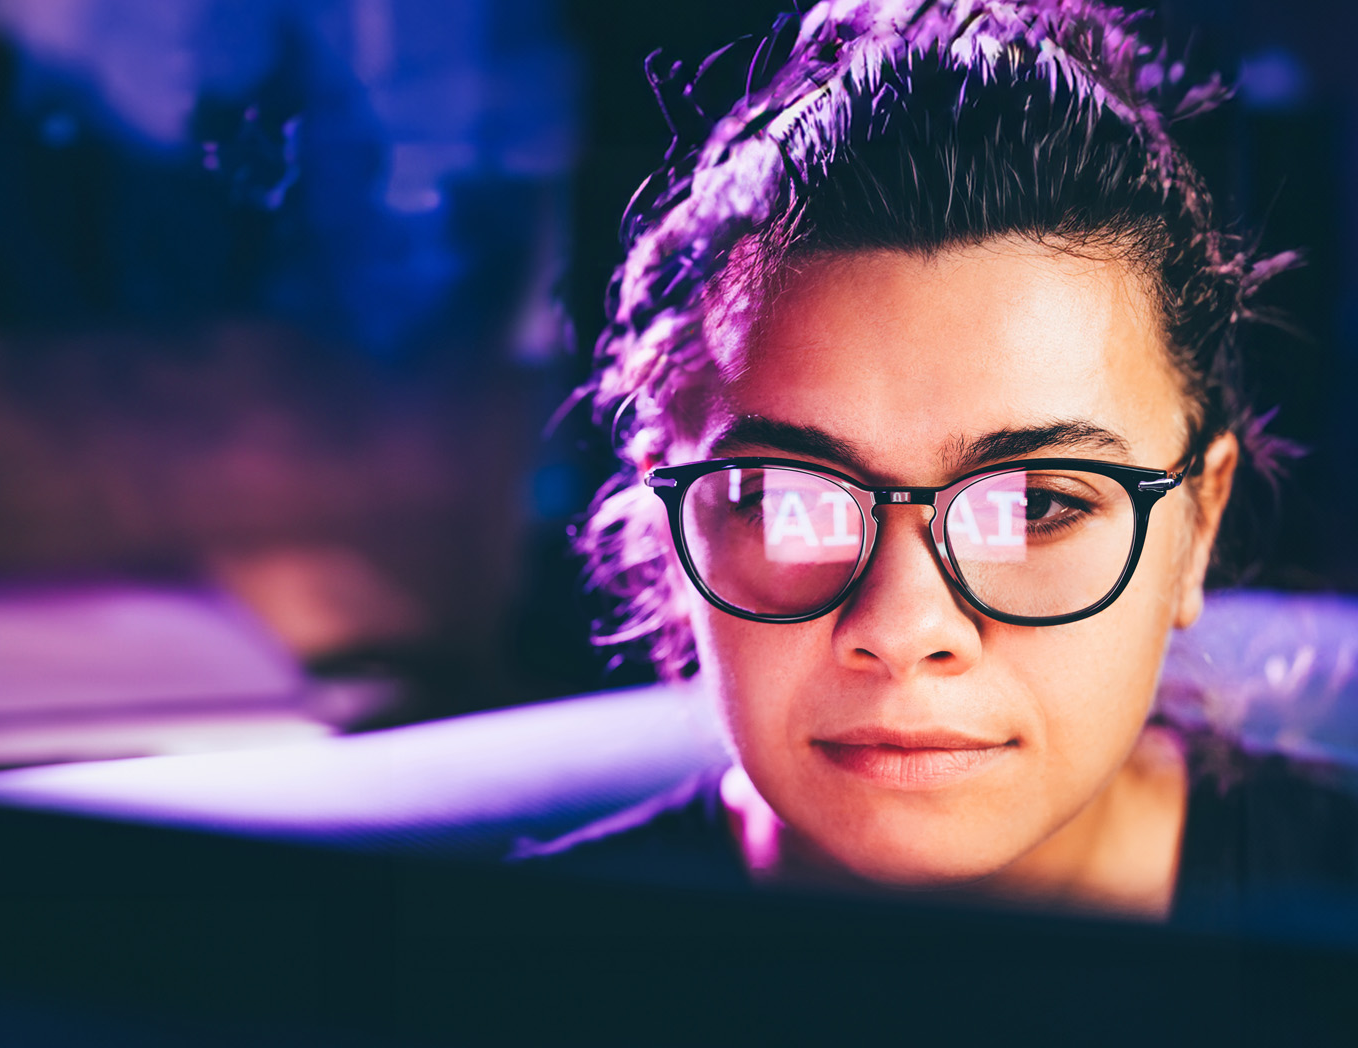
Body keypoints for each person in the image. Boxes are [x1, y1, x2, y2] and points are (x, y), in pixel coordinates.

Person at [517, 0, 1358, 922]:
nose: (904, 628)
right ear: (672, 530)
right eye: (792, 499)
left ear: (1198, 524)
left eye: (1032, 505)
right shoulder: (495, 976)